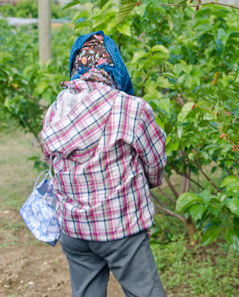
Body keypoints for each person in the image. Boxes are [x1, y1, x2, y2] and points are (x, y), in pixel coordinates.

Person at [40, 31, 167, 296]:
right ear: (115, 67)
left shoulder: (55, 110)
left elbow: (50, 158)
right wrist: (147, 184)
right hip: (120, 227)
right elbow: (155, 162)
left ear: (77, 66)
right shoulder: (130, 108)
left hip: (73, 230)